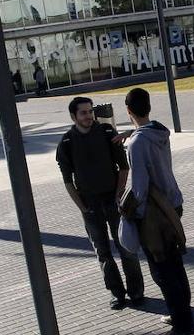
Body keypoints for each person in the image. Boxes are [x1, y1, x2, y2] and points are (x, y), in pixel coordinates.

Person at [121, 87, 194, 335]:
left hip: (154, 213)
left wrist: (133, 213)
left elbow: (139, 186)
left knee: (162, 270)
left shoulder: (137, 143)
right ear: (148, 107)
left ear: (128, 111)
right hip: (172, 203)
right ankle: (181, 314)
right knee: (175, 264)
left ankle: (183, 324)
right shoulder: (158, 132)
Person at [57, 96, 145, 310]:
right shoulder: (67, 143)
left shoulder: (107, 133)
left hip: (113, 201)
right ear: (73, 116)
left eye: (90, 112)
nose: (88, 116)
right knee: (103, 253)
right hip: (90, 205)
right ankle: (117, 294)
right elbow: (68, 180)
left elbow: (123, 167)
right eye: (83, 113)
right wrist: (82, 207)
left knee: (126, 247)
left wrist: (119, 195)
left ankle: (136, 292)